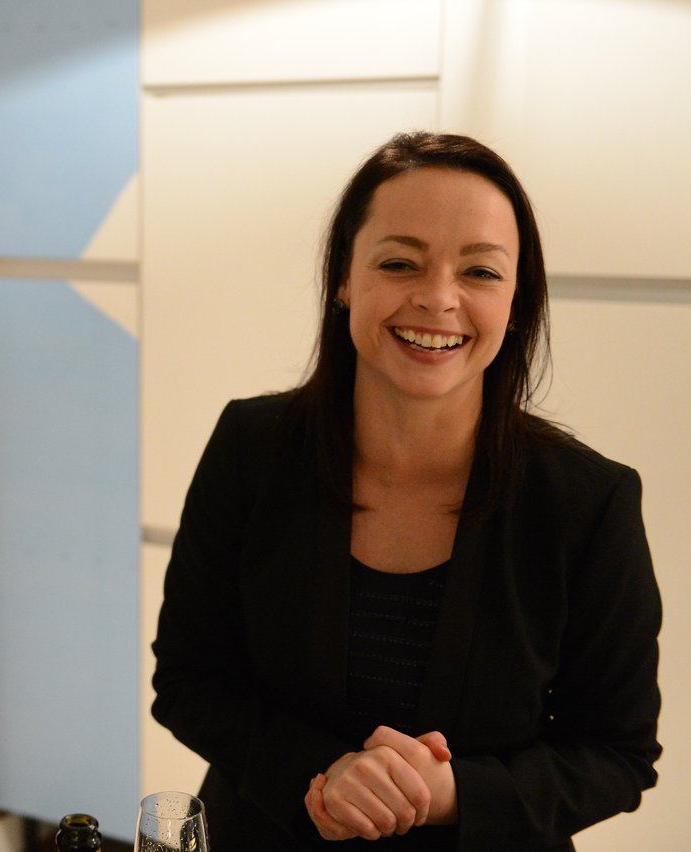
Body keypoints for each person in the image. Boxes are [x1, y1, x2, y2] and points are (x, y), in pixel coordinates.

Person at [150, 132, 661, 850]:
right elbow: (189, 680)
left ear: (517, 301)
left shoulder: (587, 501)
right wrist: (327, 774)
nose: (438, 299)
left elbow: (617, 753)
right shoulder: (252, 446)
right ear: (345, 279)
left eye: (480, 272)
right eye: (399, 262)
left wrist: (449, 795)